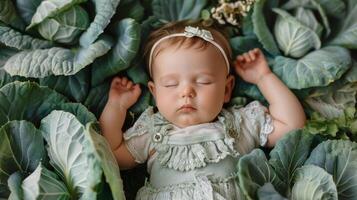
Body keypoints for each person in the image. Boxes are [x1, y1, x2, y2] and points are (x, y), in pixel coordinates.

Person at [99, 20, 306, 199]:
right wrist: (116, 106)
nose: (186, 92)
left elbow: (292, 125)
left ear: (226, 89)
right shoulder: (154, 132)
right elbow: (113, 155)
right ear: (154, 92)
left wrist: (263, 78)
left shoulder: (240, 125)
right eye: (171, 84)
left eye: (204, 82)